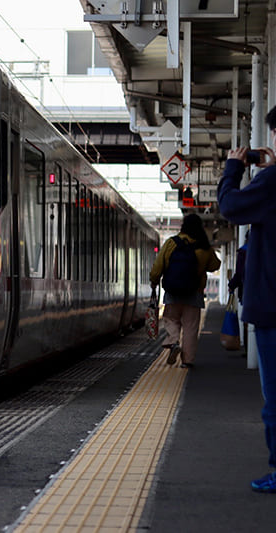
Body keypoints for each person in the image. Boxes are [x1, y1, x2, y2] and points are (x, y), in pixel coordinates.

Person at [217, 105, 276, 493]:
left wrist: (234, 169)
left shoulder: (274, 181)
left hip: (274, 310)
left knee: (275, 403)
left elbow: (231, 207)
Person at [149, 213, 221, 368]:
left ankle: (174, 341)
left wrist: (154, 282)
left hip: (173, 292)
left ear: (183, 226)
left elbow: (157, 267)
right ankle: (187, 361)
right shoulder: (204, 247)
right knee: (190, 328)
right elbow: (215, 265)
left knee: (171, 319)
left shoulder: (171, 243)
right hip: (194, 293)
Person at [228, 230, 248, 303]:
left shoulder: (243, 252)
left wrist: (232, 286)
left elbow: (240, 272)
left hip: (247, 289)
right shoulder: (267, 250)